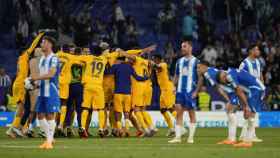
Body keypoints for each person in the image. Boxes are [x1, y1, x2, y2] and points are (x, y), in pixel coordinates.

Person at [6, 32, 45, 138]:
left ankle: (14, 129)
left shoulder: (21, 60)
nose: (30, 52)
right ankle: (13, 129)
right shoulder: (24, 57)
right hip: (20, 84)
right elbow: (32, 46)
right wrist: (40, 36)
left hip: (18, 83)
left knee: (22, 108)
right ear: (24, 52)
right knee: (21, 108)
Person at [216, 68, 265, 148]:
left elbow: (239, 91)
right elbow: (239, 91)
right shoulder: (230, 73)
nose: (225, 82)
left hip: (256, 89)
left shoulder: (229, 76)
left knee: (250, 114)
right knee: (249, 114)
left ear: (223, 76)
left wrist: (246, 106)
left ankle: (248, 142)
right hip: (254, 89)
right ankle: (241, 140)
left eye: (223, 81)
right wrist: (244, 106)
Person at [168, 37, 203, 144]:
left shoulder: (196, 61)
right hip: (179, 91)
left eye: (184, 46)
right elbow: (176, 75)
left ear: (190, 47)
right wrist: (173, 86)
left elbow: (200, 77)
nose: (182, 49)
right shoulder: (179, 61)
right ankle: (178, 137)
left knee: (191, 113)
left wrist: (196, 91)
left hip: (190, 91)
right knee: (179, 113)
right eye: (182, 47)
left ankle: (191, 138)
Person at [197, 61, 239, 144]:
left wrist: (227, 100)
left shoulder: (208, 74)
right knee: (230, 112)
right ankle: (232, 138)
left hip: (235, 89)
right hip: (233, 89)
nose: (197, 70)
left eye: (199, 67)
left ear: (204, 67)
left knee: (231, 113)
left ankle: (233, 139)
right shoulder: (209, 71)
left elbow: (218, 88)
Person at [31, 36, 60, 149]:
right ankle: (49, 139)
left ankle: (49, 141)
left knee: (50, 115)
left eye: (43, 42)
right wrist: (35, 83)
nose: (41, 44)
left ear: (50, 45)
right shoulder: (42, 58)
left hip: (51, 90)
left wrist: (35, 78)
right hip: (42, 90)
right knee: (40, 115)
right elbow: (42, 76)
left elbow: (51, 74)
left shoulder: (54, 58)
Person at [110, 56, 148, 136]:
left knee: (118, 113)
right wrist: (145, 78)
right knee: (127, 113)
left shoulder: (115, 66)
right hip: (127, 94)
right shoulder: (129, 67)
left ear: (118, 60)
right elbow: (137, 78)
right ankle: (127, 130)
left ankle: (120, 130)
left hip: (118, 93)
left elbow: (108, 73)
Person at [239, 44, 263, 142]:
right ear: (251, 51)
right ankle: (251, 136)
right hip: (249, 91)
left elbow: (260, 74)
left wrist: (262, 86)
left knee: (252, 112)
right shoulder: (244, 63)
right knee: (250, 112)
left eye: (258, 50)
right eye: (256, 50)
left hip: (257, 90)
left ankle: (244, 135)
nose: (258, 52)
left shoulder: (258, 62)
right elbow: (239, 78)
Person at [152, 54, 176, 137]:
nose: (153, 60)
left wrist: (152, 64)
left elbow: (159, 68)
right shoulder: (156, 67)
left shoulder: (163, 64)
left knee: (170, 108)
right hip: (163, 90)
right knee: (162, 110)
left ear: (158, 59)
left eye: (154, 59)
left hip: (168, 89)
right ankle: (172, 129)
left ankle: (181, 126)